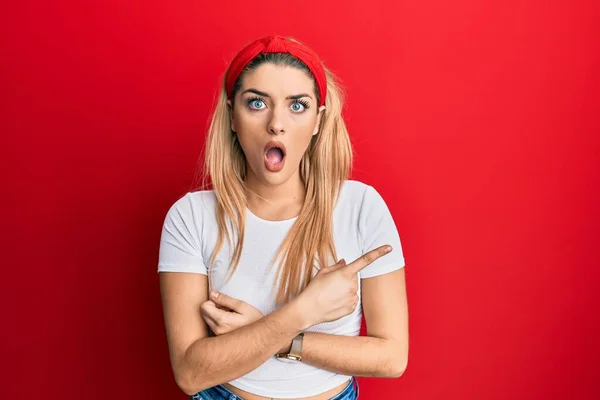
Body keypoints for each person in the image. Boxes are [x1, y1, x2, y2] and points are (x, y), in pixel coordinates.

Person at [157, 35, 409, 400]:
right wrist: (304, 310)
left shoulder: (361, 207)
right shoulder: (190, 216)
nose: (276, 123)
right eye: (257, 103)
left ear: (319, 121)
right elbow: (190, 372)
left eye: (297, 106)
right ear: (231, 116)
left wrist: (280, 336)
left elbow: (391, 357)